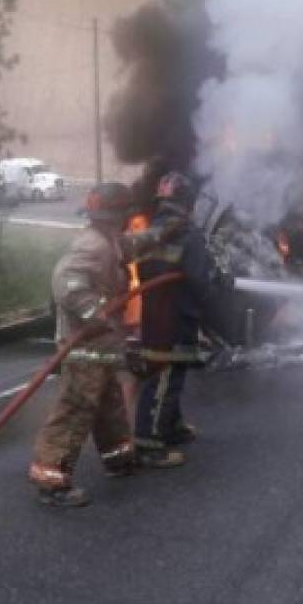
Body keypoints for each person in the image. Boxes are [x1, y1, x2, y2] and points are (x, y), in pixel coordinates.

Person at [27, 182, 184, 507]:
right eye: (126, 213)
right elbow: (66, 283)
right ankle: (51, 480)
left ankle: (119, 460)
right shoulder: (92, 246)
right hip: (84, 344)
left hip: (101, 344)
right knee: (77, 409)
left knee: (108, 405)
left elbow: (128, 246)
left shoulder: (107, 240)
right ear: (120, 214)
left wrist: (160, 234)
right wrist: (93, 312)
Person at [133, 169, 226, 465]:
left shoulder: (152, 232)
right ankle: (148, 444)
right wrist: (219, 284)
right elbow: (201, 278)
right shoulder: (188, 234)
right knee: (164, 377)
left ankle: (171, 425)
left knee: (172, 373)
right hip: (176, 316)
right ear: (188, 200)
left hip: (157, 314)